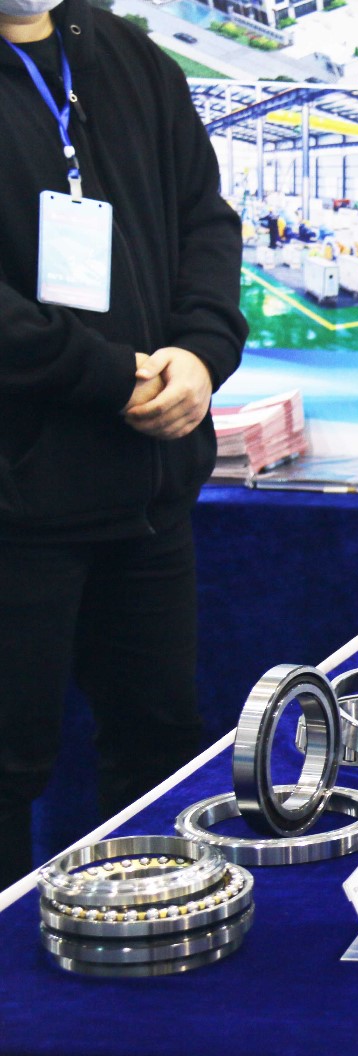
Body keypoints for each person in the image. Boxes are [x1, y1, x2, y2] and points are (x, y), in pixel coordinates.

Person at [0, 0, 246, 883]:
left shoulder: (126, 57)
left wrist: (201, 353)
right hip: (15, 508)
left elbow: (205, 221)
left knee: (160, 755)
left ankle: (150, 950)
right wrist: (110, 375)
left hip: (145, 496)